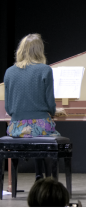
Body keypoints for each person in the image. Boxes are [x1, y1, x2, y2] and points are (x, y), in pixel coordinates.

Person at [4, 33, 66, 181]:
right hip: (41, 126)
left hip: (16, 128)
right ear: (40, 50)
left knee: (37, 135)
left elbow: (8, 108)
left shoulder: (9, 72)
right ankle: (49, 179)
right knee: (47, 135)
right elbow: (50, 105)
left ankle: (39, 175)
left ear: (21, 49)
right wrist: (54, 111)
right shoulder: (45, 70)